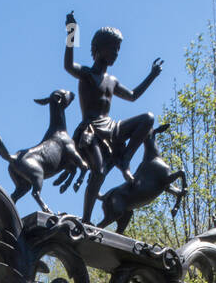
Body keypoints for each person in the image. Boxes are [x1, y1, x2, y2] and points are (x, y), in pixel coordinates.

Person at [62, 12, 163, 222]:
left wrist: (151, 75)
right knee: (98, 173)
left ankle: (124, 159)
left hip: (112, 127)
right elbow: (69, 66)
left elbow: (133, 96)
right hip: (92, 129)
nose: (117, 53)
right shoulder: (88, 74)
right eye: (113, 48)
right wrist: (72, 32)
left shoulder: (112, 81)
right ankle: (87, 219)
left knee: (148, 119)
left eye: (119, 49)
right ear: (99, 48)